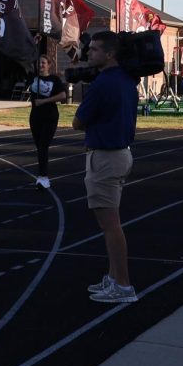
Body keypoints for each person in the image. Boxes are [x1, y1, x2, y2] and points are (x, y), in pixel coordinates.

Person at [72, 31, 140, 304]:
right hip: (120, 153)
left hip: (105, 157)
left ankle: (123, 285)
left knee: (111, 226)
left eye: (95, 49)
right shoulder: (127, 80)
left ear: (110, 53)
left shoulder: (102, 84)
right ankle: (114, 278)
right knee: (111, 223)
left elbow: (78, 121)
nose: (89, 53)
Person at [28, 55, 67, 189]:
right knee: (40, 147)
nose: (41, 65)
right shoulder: (33, 77)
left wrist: (43, 101)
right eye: (39, 63)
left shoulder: (54, 79)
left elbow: (63, 96)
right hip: (35, 116)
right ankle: (42, 175)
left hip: (49, 116)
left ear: (49, 65)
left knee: (43, 146)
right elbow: (25, 57)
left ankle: (43, 177)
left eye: (44, 63)